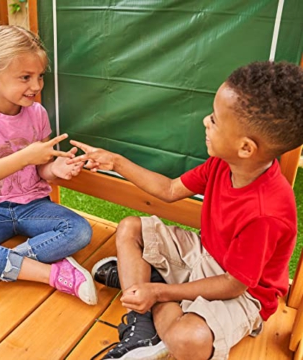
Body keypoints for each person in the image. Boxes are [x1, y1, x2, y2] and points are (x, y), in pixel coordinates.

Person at [67, 61, 303, 358]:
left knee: (188, 339)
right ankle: (142, 324)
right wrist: (116, 162)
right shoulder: (223, 163)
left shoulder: (267, 213)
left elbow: (233, 284)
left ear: (246, 148)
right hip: (205, 254)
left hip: (244, 293)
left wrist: (159, 292)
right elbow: (170, 190)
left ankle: (147, 285)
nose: (206, 121)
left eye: (215, 120)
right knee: (130, 228)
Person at [0, 25, 97, 306]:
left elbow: (42, 169)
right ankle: (51, 273)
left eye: (39, 76)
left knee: (80, 231)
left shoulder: (37, 113)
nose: (37, 86)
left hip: (34, 206)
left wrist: (56, 171)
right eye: (25, 77)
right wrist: (26, 156)